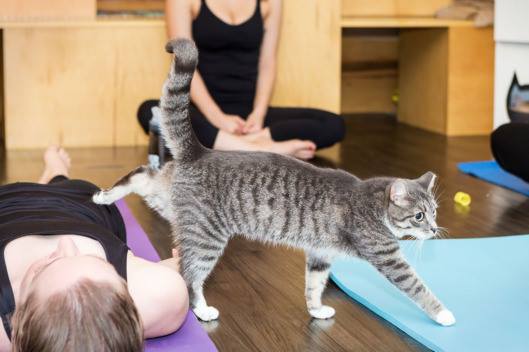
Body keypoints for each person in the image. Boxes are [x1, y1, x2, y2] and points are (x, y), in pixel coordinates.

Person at [0, 146, 188, 352]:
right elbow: (175, 276)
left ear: (17, 320)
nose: (66, 242)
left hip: (8, 203)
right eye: (97, 261)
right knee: (63, 183)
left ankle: (54, 172)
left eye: (45, 266)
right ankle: (56, 172)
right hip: (79, 204)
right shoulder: (158, 297)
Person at [138, 0, 345, 160]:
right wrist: (218, 119)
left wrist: (259, 114)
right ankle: (260, 149)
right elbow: (184, 66)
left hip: (249, 121)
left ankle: (232, 144)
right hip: (203, 116)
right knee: (150, 111)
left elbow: (267, 62)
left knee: (333, 124)